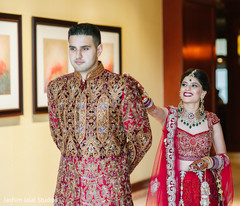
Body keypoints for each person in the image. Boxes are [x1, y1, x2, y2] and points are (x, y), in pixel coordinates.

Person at [47, 23, 152, 205]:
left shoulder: (121, 86)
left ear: (99, 49)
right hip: (68, 187)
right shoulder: (56, 88)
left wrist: (116, 168)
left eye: (85, 49)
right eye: (73, 49)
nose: (78, 55)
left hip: (110, 190)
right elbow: (58, 135)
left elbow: (142, 136)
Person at [126, 69, 233, 206]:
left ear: (203, 93)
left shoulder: (212, 120)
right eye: (184, 84)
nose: (187, 88)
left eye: (194, 85)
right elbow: (154, 110)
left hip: (205, 187)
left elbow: (223, 158)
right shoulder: (170, 116)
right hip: (176, 187)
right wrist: (143, 96)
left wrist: (207, 162)